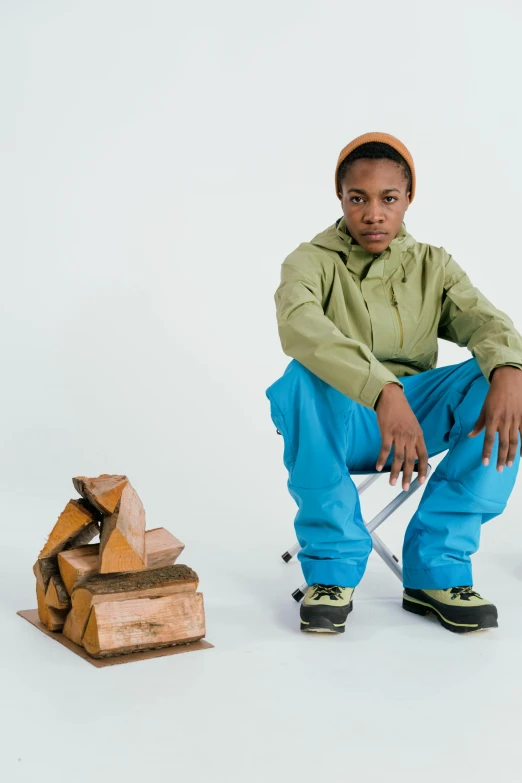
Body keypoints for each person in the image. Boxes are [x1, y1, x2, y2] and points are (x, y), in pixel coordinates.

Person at [265, 131, 522, 635]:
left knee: (500, 378)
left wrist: (510, 370)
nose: (373, 214)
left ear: (408, 200)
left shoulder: (434, 264)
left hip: (418, 419)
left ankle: (438, 568)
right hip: (342, 418)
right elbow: (301, 329)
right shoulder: (309, 262)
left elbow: (486, 324)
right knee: (301, 377)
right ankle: (333, 570)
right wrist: (384, 391)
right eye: (358, 198)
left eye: (389, 199)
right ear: (340, 198)